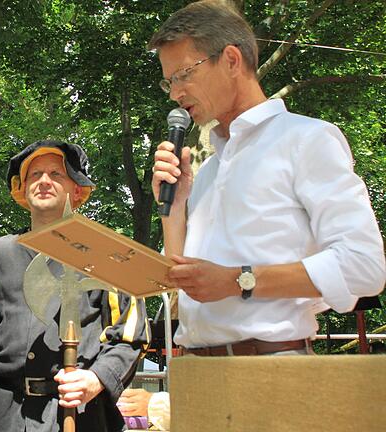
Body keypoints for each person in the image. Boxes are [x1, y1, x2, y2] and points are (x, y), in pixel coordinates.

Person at [150, 0, 385, 356]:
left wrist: (236, 280)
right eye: (169, 81)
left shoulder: (307, 139)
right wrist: (175, 207)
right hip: (196, 372)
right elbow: (184, 283)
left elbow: (364, 266)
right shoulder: (210, 169)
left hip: (273, 367)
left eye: (183, 75)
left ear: (231, 60)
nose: (175, 93)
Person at [0, 140, 149, 431]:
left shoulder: (106, 253)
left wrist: (97, 378)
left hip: (81, 414)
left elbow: (131, 333)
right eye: (35, 175)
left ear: (77, 189)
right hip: (3, 416)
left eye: (56, 175)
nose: (44, 181)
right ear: (22, 188)